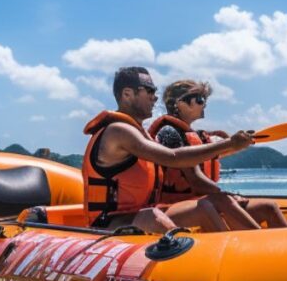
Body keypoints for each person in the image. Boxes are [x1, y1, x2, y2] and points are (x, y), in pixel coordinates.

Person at [81, 67, 254, 233]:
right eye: (149, 90)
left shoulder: (141, 134)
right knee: (151, 216)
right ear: (127, 94)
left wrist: (228, 145)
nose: (155, 98)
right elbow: (173, 157)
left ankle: (242, 250)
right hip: (107, 222)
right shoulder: (118, 131)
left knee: (206, 206)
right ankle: (186, 251)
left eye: (155, 91)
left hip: (141, 213)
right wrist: (229, 144)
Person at [149, 80, 287, 229]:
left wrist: (242, 142)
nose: (204, 105)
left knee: (268, 207)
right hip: (173, 207)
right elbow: (196, 180)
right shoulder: (169, 134)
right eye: (200, 100)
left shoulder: (195, 136)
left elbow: (220, 149)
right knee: (223, 201)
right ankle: (255, 244)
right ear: (181, 103)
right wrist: (228, 195)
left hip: (203, 202)